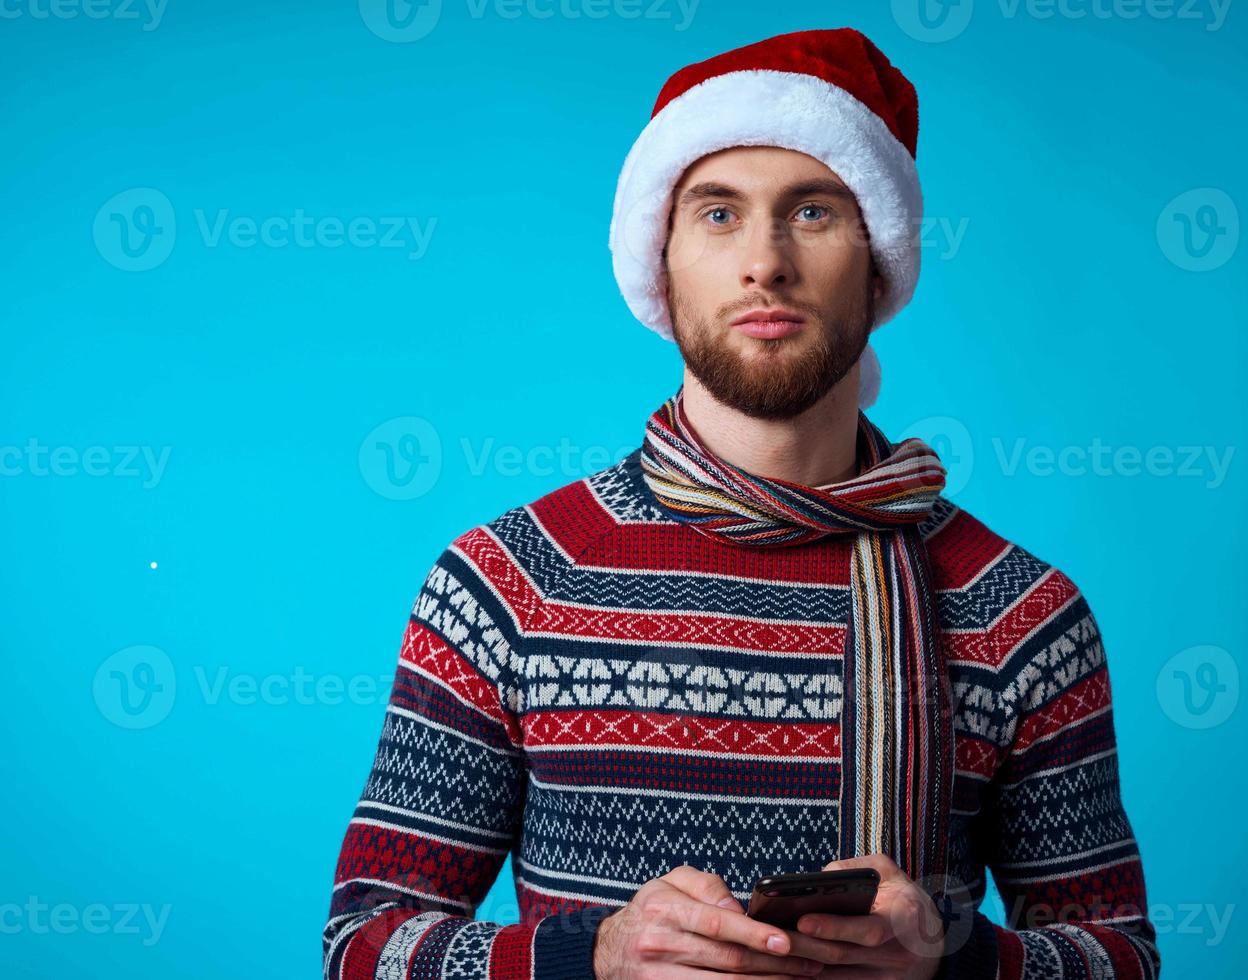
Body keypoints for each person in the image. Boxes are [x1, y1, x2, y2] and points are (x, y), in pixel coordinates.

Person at [322, 27, 1160, 980]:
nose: (764, 262)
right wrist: (590, 959)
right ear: (661, 261)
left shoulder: (1025, 614)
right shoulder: (505, 582)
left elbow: (1119, 958)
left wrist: (951, 966)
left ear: (880, 258)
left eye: (812, 212)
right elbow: (364, 949)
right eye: (718, 215)